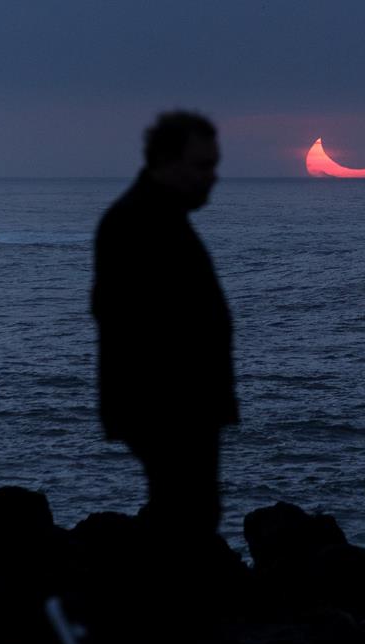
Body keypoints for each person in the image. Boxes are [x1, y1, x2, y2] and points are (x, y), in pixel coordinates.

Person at [91, 111, 238, 540]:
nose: (212, 178)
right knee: (186, 520)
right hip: (169, 408)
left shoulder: (160, 219)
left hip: (180, 407)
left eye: (214, 166)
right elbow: (127, 322)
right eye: (202, 166)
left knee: (185, 516)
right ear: (166, 162)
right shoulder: (137, 223)